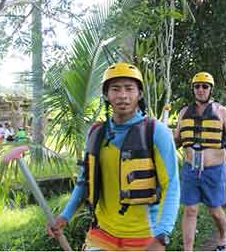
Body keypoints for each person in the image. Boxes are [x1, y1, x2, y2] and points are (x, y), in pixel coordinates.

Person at [47, 63, 179, 251]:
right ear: (106, 95)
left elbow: (171, 185)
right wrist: (65, 216)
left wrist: (162, 235)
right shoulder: (96, 133)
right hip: (102, 233)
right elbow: (85, 182)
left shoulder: (157, 132)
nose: (122, 95)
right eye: (115, 89)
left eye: (129, 88)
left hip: (145, 237)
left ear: (139, 94)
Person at [175, 72, 226, 252]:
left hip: (214, 170)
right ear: (193, 89)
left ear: (211, 89)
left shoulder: (221, 111)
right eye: (197, 86)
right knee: (190, 210)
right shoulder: (183, 113)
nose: (201, 90)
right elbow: (177, 140)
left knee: (215, 212)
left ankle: (222, 236)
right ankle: (188, 250)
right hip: (190, 170)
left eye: (205, 86)